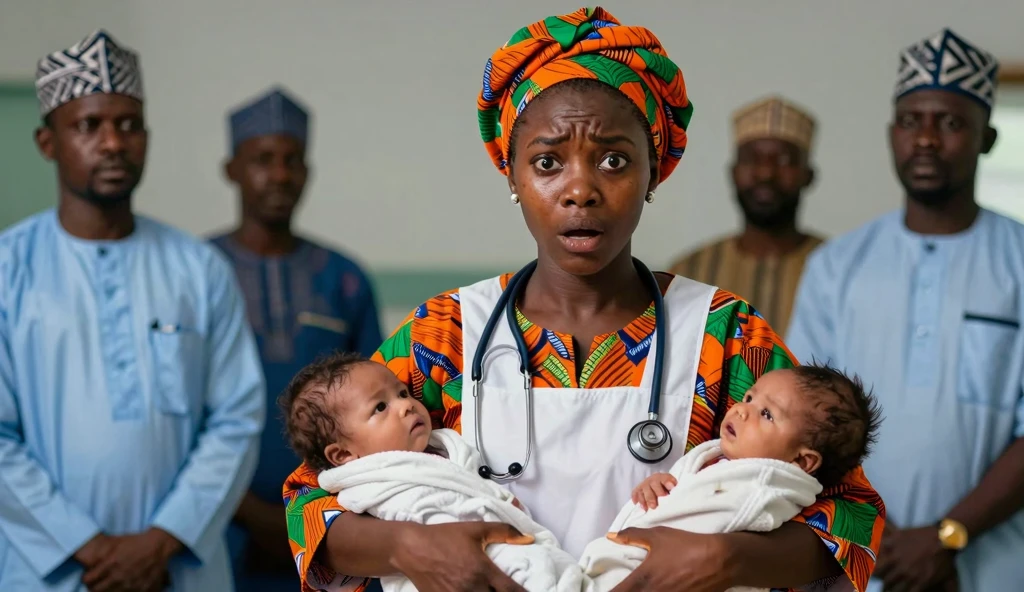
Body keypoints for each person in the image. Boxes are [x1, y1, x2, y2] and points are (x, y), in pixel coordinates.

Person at [281, 8, 884, 592]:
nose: (580, 190)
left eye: (614, 160)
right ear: (512, 177)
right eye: (547, 162)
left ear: (654, 174)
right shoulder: (443, 335)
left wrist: (726, 558)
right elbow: (311, 497)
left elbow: (851, 512)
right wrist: (404, 548)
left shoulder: (724, 335)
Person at [0, 30, 265, 591]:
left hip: (179, 570)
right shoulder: (9, 269)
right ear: (48, 143)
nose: (113, 143)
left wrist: (162, 541)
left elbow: (236, 418)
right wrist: (88, 547)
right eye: (88, 126)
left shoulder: (198, 268)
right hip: (51, 571)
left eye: (127, 125)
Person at [787, 28, 1024, 592]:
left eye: (949, 122)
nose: (925, 139)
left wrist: (949, 535)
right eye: (911, 120)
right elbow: (803, 420)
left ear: (986, 138)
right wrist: (859, 540)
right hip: (857, 565)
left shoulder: (1019, 260)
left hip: (993, 569)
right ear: (892, 134)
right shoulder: (837, 266)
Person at [210, 86, 383, 590]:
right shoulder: (199, 274)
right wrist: (250, 512)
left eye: (292, 161)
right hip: (217, 522)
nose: (280, 175)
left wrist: (316, 511)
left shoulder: (344, 277)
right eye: (263, 159)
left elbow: (376, 406)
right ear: (232, 169)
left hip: (333, 519)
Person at [281, 352, 582, 592]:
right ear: (344, 454)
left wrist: (498, 503)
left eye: (402, 393)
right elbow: (437, 525)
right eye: (380, 407)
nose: (406, 406)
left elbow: (470, 484)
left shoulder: (438, 453)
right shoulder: (379, 486)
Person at [581, 364, 883, 592]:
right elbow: (682, 502)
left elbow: (702, 533)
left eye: (766, 414)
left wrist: (724, 555)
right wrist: (663, 488)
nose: (740, 410)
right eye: (749, 396)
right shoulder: (720, 462)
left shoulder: (762, 489)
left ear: (802, 461)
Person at [668, 96, 821, 335]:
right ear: (733, 173)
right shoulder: (689, 272)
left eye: (783, 160)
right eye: (752, 159)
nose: (765, 173)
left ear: (809, 176)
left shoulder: (836, 270)